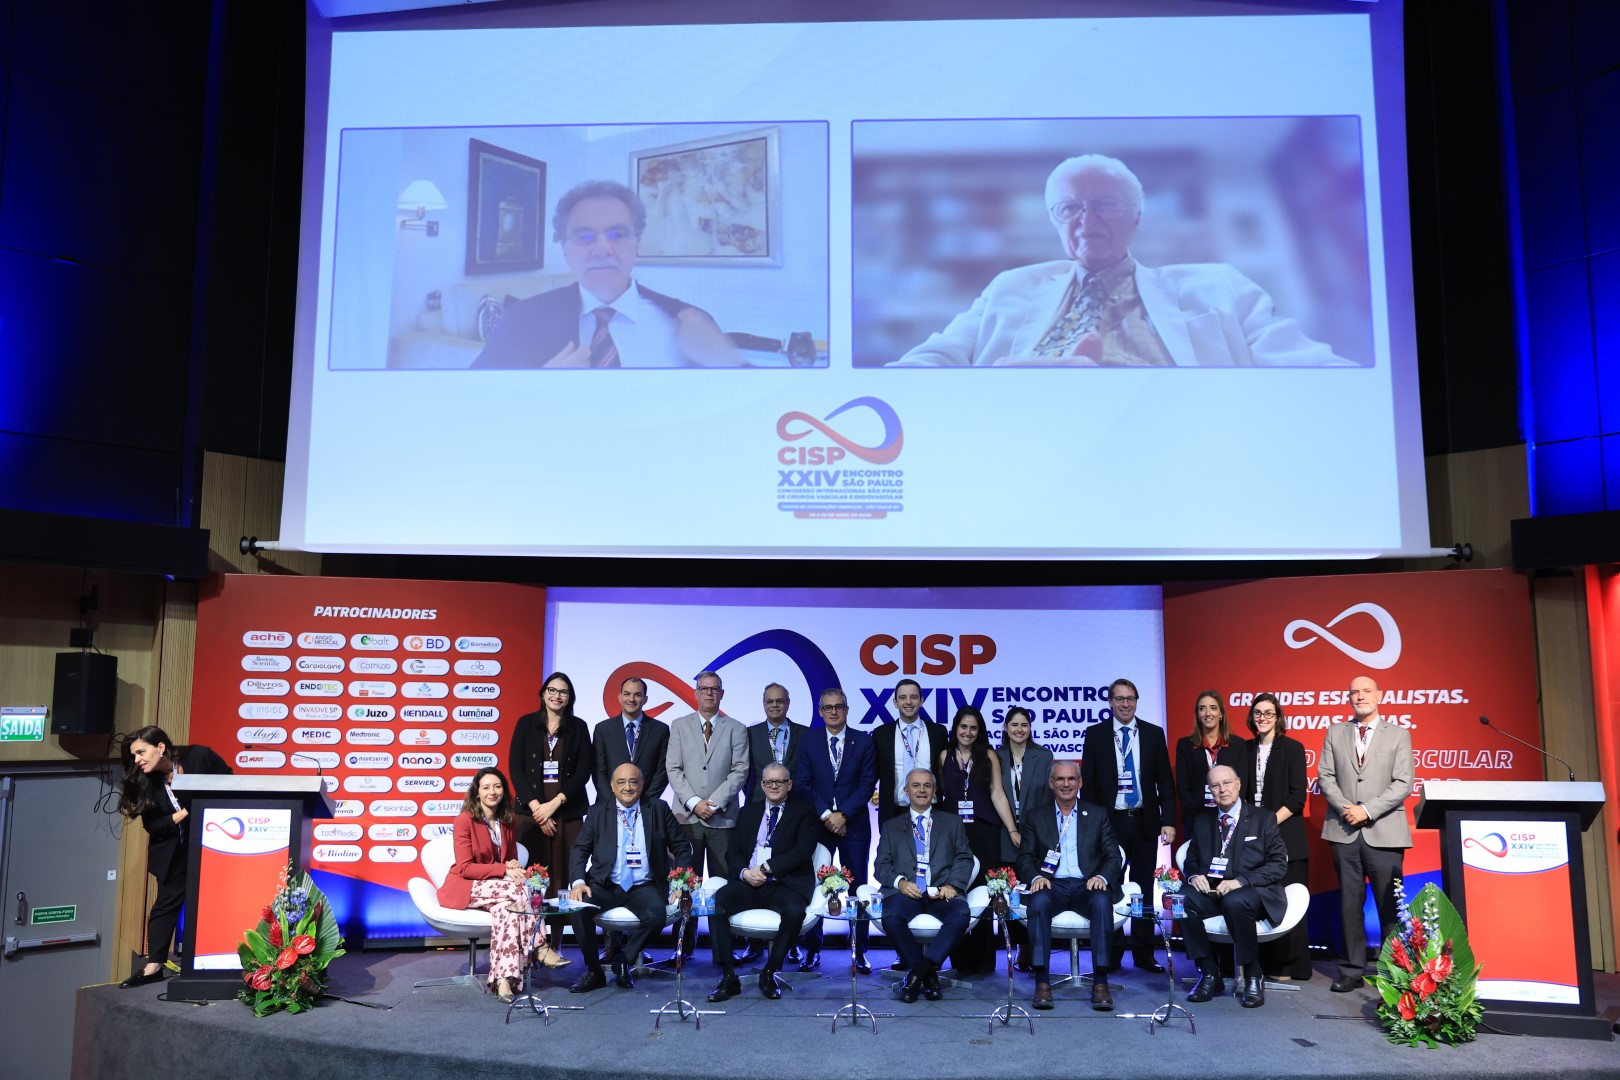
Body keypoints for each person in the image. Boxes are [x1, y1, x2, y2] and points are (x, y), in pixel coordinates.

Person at [889, 154, 1350, 368]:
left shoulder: (1219, 285)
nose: (1086, 220)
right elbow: (933, 358)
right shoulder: (1010, 287)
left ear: (1137, 217)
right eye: (1069, 209)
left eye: (1105, 205)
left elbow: (1306, 363)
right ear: (1055, 221)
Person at [471, 179, 741, 369]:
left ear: (636, 244)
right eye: (584, 236)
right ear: (565, 250)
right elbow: (472, 405)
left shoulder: (692, 323)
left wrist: (729, 365)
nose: (602, 249)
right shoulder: (521, 320)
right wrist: (541, 388)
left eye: (617, 234)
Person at [1318, 675, 1414, 993]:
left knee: (1390, 906)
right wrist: (1348, 808)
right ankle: (1351, 969)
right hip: (1343, 830)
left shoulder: (1398, 734)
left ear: (1379, 696)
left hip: (1384, 831)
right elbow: (1325, 776)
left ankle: (1393, 971)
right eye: (1354, 692)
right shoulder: (1335, 732)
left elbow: (1403, 782)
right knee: (1349, 904)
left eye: (1367, 691)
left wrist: (1367, 810)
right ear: (1349, 698)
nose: (1360, 696)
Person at [116, 726, 231, 987]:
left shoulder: (199, 757)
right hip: (174, 850)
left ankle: (220, 957)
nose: (137, 760)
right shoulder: (144, 781)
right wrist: (185, 812)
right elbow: (153, 825)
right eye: (134, 755)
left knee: (218, 901)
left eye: (141, 752)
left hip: (215, 842)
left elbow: (230, 784)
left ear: (161, 747)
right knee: (165, 906)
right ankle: (154, 966)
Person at [438, 767, 562, 1002]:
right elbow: (465, 868)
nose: (492, 792)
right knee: (521, 889)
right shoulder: (464, 820)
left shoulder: (507, 820)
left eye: (497, 786)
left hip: (497, 891)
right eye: (486, 787)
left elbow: (509, 858)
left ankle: (503, 980)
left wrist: (511, 864)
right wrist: (504, 869)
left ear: (504, 791)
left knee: (507, 911)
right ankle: (540, 946)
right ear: (476, 792)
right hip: (466, 885)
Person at [568, 764, 694, 993]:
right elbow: (579, 849)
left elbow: (682, 847)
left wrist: (680, 883)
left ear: (642, 784)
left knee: (657, 916)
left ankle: (624, 960)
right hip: (605, 883)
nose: (628, 787)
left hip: (643, 885)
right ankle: (595, 971)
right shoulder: (598, 812)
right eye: (621, 782)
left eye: (633, 781)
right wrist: (578, 882)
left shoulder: (658, 808)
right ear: (612, 786)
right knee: (577, 908)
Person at [1081, 677, 1177, 973]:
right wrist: (1092, 826)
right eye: (1120, 699)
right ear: (1110, 702)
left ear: (1137, 701)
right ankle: (1111, 952)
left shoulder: (1153, 733)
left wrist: (1168, 820)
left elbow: (1165, 781)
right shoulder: (1095, 734)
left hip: (1144, 822)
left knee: (1143, 888)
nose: (1125, 704)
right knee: (1110, 887)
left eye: (1130, 698)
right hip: (1109, 825)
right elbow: (1090, 785)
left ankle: (1144, 953)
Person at [706, 764, 819, 1002]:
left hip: (784, 883)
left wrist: (768, 868)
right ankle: (728, 976)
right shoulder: (748, 812)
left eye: (780, 782)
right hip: (750, 883)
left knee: (795, 912)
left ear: (789, 784)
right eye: (769, 782)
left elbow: (802, 852)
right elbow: (733, 852)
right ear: (762, 785)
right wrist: (745, 873)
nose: (774, 786)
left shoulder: (804, 811)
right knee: (718, 903)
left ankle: (770, 972)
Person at [1015, 759, 1123, 1011]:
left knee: (1102, 901)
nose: (1066, 784)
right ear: (1051, 783)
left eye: (1071, 778)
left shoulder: (1097, 814)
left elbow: (1113, 856)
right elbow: (1024, 858)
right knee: (1038, 902)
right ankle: (1042, 981)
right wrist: (1036, 878)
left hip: (1087, 885)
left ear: (1080, 782)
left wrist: (1102, 877)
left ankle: (1100, 982)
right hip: (1052, 885)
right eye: (1060, 779)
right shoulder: (1036, 817)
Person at [1181, 765, 1289, 1009]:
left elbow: (1278, 865)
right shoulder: (1203, 819)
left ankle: (1253, 973)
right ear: (1210, 790)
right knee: (1181, 901)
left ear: (1238, 784)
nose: (1222, 789)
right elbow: (1192, 858)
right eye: (1216, 785)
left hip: (1252, 890)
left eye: (1227, 783)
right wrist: (1195, 875)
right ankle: (1209, 973)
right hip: (1213, 891)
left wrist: (1240, 881)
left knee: (1235, 900)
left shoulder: (1263, 818)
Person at [665, 669, 749, 959]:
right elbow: (673, 769)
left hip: (722, 818)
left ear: (721, 693)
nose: (709, 693)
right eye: (704, 688)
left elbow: (740, 771)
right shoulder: (679, 725)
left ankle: (723, 950)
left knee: (722, 886)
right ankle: (682, 948)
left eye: (714, 689)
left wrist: (711, 803)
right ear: (696, 693)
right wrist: (693, 802)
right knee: (684, 884)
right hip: (686, 819)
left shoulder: (736, 728)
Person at [507, 670, 590, 963]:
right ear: (543, 694)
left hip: (566, 814)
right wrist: (537, 809)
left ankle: (555, 945)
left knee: (561, 880)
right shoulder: (526, 723)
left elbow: (583, 771)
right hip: (530, 814)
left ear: (570, 698)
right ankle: (530, 943)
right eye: (552, 690)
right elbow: (515, 768)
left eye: (563, 692)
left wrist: (553, 805)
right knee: (533, 879)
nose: (557, 696)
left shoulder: (579, 727)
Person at [874, 769, 976, 1003]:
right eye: (916, 785)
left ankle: (918, 974)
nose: (921, 790)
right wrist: (900, 883)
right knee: (890, 916)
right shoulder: (891, 826)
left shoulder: (952, 822)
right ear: (906, 791)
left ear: (934, 791)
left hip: (940, 892)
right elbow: (880, 866)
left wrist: (952, 884)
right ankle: (929, 977)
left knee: (961, 914)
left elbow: (964, 857)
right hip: (906, 894)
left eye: (927, 786)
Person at [794, 687, 878, 973]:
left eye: (838, 706)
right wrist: (827, 815)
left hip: (854, 825)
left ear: (846, 710)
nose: (833, 711)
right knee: (816, 886)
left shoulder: (863, 741)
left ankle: (860, 951)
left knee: (858, 887)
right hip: (818, 825)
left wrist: (843, 815)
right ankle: (812, 950)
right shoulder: (809, 741)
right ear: (820, 712)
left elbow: (867, 784)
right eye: (828, 707)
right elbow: (802, 783)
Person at [937, 705, 1021, 975]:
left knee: (985, 893)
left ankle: (985, 960)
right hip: (953, 834)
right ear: (955, 728)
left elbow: (997, 793)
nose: (968, 732)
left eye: (973, 728)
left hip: (985, 832)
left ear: (980, 731)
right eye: (963, 727)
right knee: (957, 891)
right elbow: (942, 795)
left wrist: (1012, 829)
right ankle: (960, 960)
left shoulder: (988, 755)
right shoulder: (944, 756)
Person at [1245, 692, 1311, 981]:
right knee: (1259, 901)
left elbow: (1297, 798)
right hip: (1252, 838)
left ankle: (1289, 965)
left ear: (1278, 717)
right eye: (1258, 713)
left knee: (1289, 900)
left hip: (1286, 836)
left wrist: (1267, 823)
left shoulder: (1293, 748)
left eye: (1269, 713)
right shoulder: (1245, 749)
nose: (1263, 718)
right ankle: (1258, 964)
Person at [996, 706, 1052, 971]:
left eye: (1024, 725)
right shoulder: (995, 756)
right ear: (1006, 728)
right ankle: (1017, 945)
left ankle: (1032, 946)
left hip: (1035, 835)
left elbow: (1048, 799)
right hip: (1003, 833)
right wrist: (1012, 829)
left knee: (1032, 891)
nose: (1019, 729)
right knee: (1009, 893)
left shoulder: (1043, 756)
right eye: (1014, 725)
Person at [872, 678, 949, 824]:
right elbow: (873, 773)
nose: (908, 702)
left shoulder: (938, 732)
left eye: (913, 697)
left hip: (932, 810)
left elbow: (945, 771)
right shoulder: (881, 734)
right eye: (902, 697)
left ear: (921, 701)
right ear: (895, 702)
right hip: (894, 812)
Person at [1174, 691, 1249, 828]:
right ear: (1198, 714)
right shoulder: (1185, 745)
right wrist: (1196, 820)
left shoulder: (1238, 745)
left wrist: (1232, 815)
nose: (1208, 713)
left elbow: (1242, 785)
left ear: (1221, 714)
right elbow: (1183, 788)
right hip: (1196, 820)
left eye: (1213, 708)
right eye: (1202, 708)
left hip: (1231, 820)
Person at [593, 676, 670, 801]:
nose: (631, 699)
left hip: (646, 805)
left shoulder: (660, 730)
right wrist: (613, 804)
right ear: (620, 697)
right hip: (609, 805)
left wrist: (645, 803)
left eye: (637, 695)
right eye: (627, 694)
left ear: (645, 699)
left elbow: (662, 772)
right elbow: (599, 771)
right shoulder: (603, 729)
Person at [747, 683, 805, 802]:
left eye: (779, 701)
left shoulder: (806, 734)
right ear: (764, 704)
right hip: (758, 802)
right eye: (770, 701)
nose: (774, 705)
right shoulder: (748, 734)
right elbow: (743, 773)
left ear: (788, 703)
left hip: (797, 802)